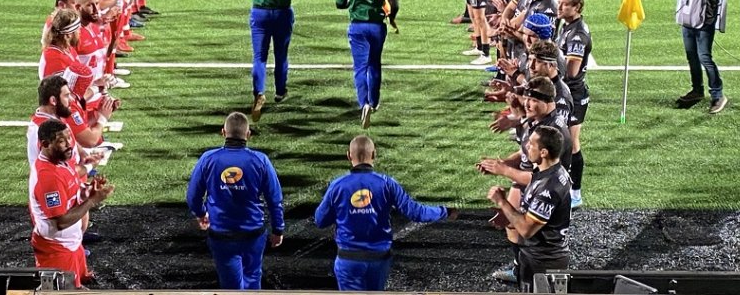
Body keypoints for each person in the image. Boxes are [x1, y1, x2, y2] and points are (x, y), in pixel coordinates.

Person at [314, 135, 457, 291]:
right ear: (374, 154)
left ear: (348, 155)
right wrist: (445, 211)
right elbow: (416, 212)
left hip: (349, 259)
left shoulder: (337, 186)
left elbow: (320, 220)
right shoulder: (386, 183)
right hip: (379, 259)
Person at [186, 112, 285, 290]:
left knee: (231, 286)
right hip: (253, 233)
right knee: (253, 280)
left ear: (223, 132)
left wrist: (201, 214)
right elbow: (274, 199)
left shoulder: (208, 159)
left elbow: (193, 196)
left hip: (221, 233)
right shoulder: (261, 160)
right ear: (248, 135)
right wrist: (278, 229)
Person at [488, 125, 572, 292]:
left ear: (544, 152)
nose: (526, 146)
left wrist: (502, 201)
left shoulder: (548, 188)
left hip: (542, 262)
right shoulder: (550, 172)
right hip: (542, 256)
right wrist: (509, 214)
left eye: (532, 144)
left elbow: (526, 229)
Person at [30, 120, 113, 288]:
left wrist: (88, 192)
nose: (69, 145)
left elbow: (70, 195)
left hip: (71, 244)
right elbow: (60, 221)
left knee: (79, 284)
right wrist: (93, 201)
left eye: (70, 138)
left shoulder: (61, 162)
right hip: (57, 250)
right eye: (61, 141)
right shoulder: (48, 177)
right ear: (45, 144)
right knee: (66, 291)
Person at [236, 0, 304, 121]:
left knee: (259, 57)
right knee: (281, 55)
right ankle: (280, 91)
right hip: (282, 12)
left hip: (260, 14)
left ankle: (259, 93)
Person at [335, 0, 399, 129]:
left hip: (357, 27)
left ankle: (363, 103)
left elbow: (339, 2)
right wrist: (391, 17)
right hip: (377, 27)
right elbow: (394, 1)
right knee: (374, 64)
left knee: (360, 67)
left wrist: (352, 2)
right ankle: (374, 102)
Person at [668, 0, 730, 114]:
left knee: (705, 58)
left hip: (704, 22)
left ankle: (718, 95)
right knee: (692, 57)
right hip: (688, 20)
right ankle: (697, 90)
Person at [557, 0, 592, 208]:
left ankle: (576, 192)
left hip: (573, 94)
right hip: (566, 92)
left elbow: (571, 70)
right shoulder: (567, 26)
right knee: (562, 141)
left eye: (564, 5)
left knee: (571, 144)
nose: (559, 8)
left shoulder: (577, 34)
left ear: (576, 7)